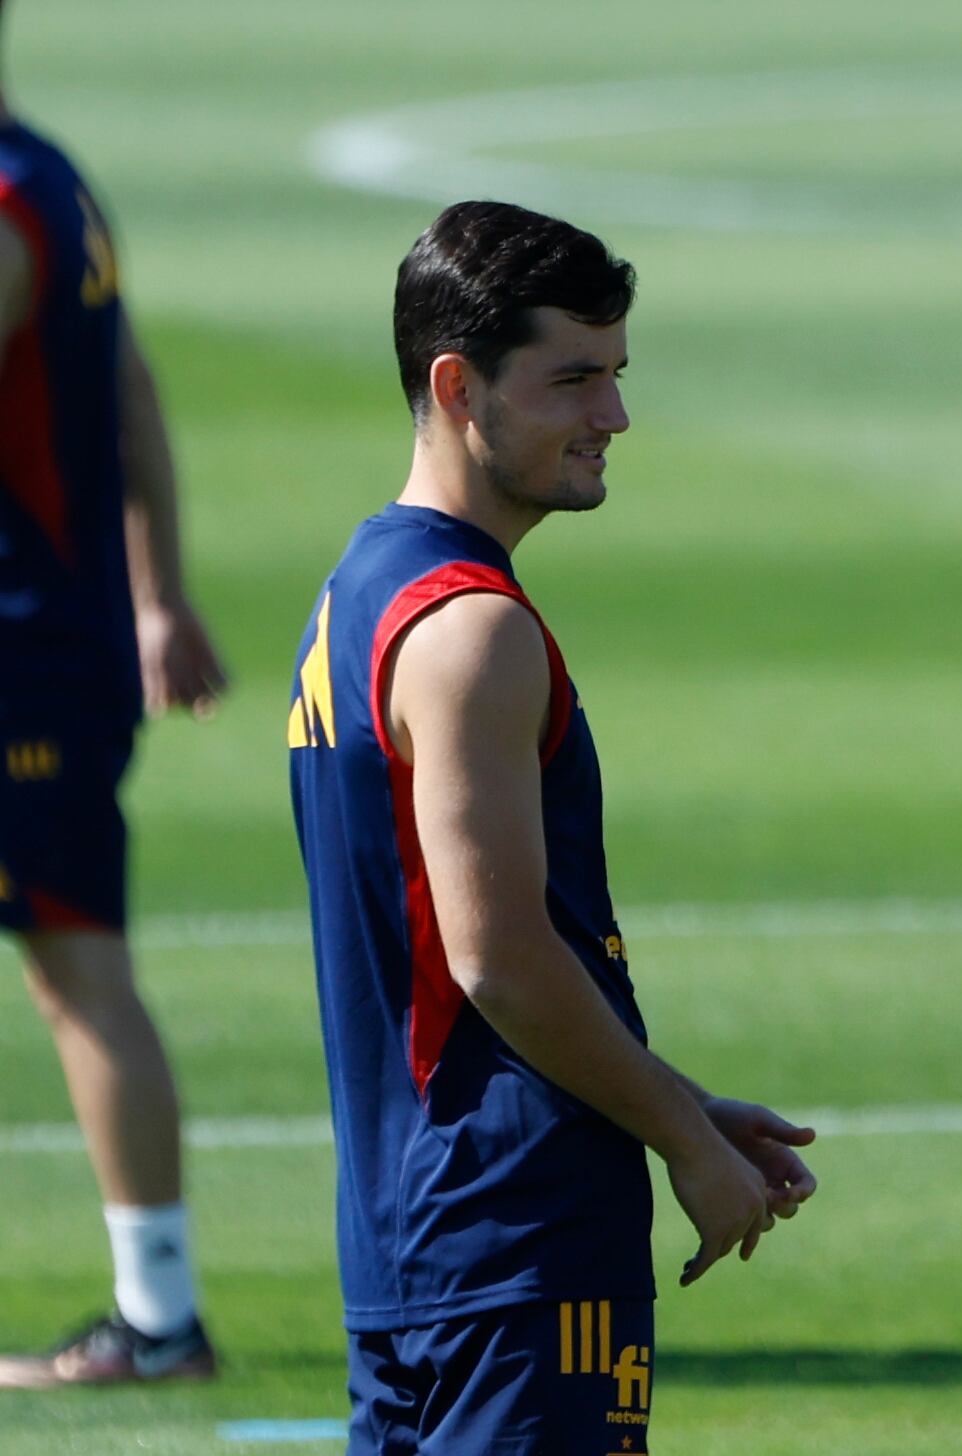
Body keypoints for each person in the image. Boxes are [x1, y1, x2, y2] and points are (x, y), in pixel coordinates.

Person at [287, 200, 816, 1454]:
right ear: (459, 385)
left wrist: (668, 1095)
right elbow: (498, 959)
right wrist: (682, 1140)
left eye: (617, 375)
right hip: (516, 1247)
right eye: (574, 379)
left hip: (413, 1237)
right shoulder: (473, 628)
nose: (613, 418)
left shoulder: (361, 588)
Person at [0, 0, 228, 1387]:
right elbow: (129, 387)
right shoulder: (53, 176)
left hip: (19, 655)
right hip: (63, 640)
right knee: (80, 974)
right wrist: (156, 592)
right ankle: (159, 1313)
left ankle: (160, 1320)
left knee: (83, 977)